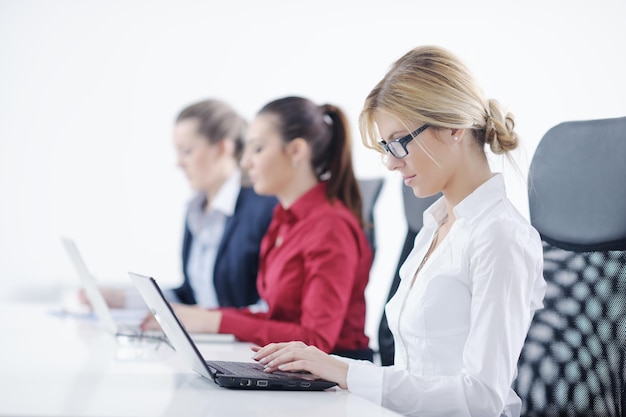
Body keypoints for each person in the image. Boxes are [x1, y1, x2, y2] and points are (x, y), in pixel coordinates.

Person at [251, 46, 547, 417]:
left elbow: (481, 399)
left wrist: (342, 370)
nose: (391, 163)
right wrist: (330, 370)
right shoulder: (436, 226)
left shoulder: (500, 236)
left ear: (454, 126)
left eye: (398, 142)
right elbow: (416, 375)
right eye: (385, 147)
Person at [141, 96, 374, 361]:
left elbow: (316, 341)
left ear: (296, 151)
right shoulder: (284, 219)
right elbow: (276, 317)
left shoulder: (329, 227)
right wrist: (205, 317)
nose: (245, 162)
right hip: (293, 369)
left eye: (258, 149)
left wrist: (215, 322)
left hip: (335, 381)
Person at [82, 99, 276, 309]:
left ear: (222, 148)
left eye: (187, 151)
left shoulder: (263, 208)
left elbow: (270, 306)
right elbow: (190, 296)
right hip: (210, 339)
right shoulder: (196, 209)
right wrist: (121, 300)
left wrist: (211, 322)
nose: (179, 163)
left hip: (242, 340)